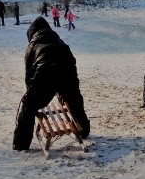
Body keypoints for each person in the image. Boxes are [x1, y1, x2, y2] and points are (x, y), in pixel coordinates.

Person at [13, 17, 90, 150]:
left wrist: (30, 93)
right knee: (74, 99)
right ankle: (84, 129)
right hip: (67, 73)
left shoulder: (33, 45)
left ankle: (21, 144)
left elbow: (29, 74)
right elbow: (71, 62)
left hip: (45, 75)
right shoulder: (60, 42)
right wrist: (66, 87)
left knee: (28, 105)